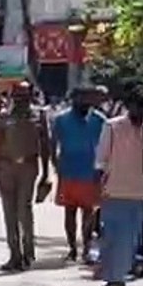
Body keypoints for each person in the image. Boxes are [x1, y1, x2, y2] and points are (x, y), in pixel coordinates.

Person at [0, 82, 51, 272]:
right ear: (12, 96)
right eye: (18, 95)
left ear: (30, 96)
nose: (21, 99)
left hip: (29, 167)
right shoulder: (2, 117)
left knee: (24, 210)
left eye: (24, 95)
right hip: (6, 167)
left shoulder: (39, 115)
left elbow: (46, 145)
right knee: (9, 213)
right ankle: (15, 255)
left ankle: (28, 252)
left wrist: (46, 174)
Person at [93, 87, 143, 286]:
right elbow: (101, 159)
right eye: (136, 106)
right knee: (113, 237)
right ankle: (113, 279)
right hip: (114, 191)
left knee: (131, 240)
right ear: (129, 106)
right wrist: (98, 188)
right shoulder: (112, 127)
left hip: (139, 193)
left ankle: (118, 279)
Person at [51, 84, 108, 263]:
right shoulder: (61, 119)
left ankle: (86, 248)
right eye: (80, 98)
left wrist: (104, 169)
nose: (85, 101)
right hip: (68, 172)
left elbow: (106, 146)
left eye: (87, 98)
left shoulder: (100, 120)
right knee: (69, 212)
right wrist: (54, 165)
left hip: (91, 173)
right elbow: (53, 144)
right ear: (73, 99)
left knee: (89, 213)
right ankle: (72, 248)